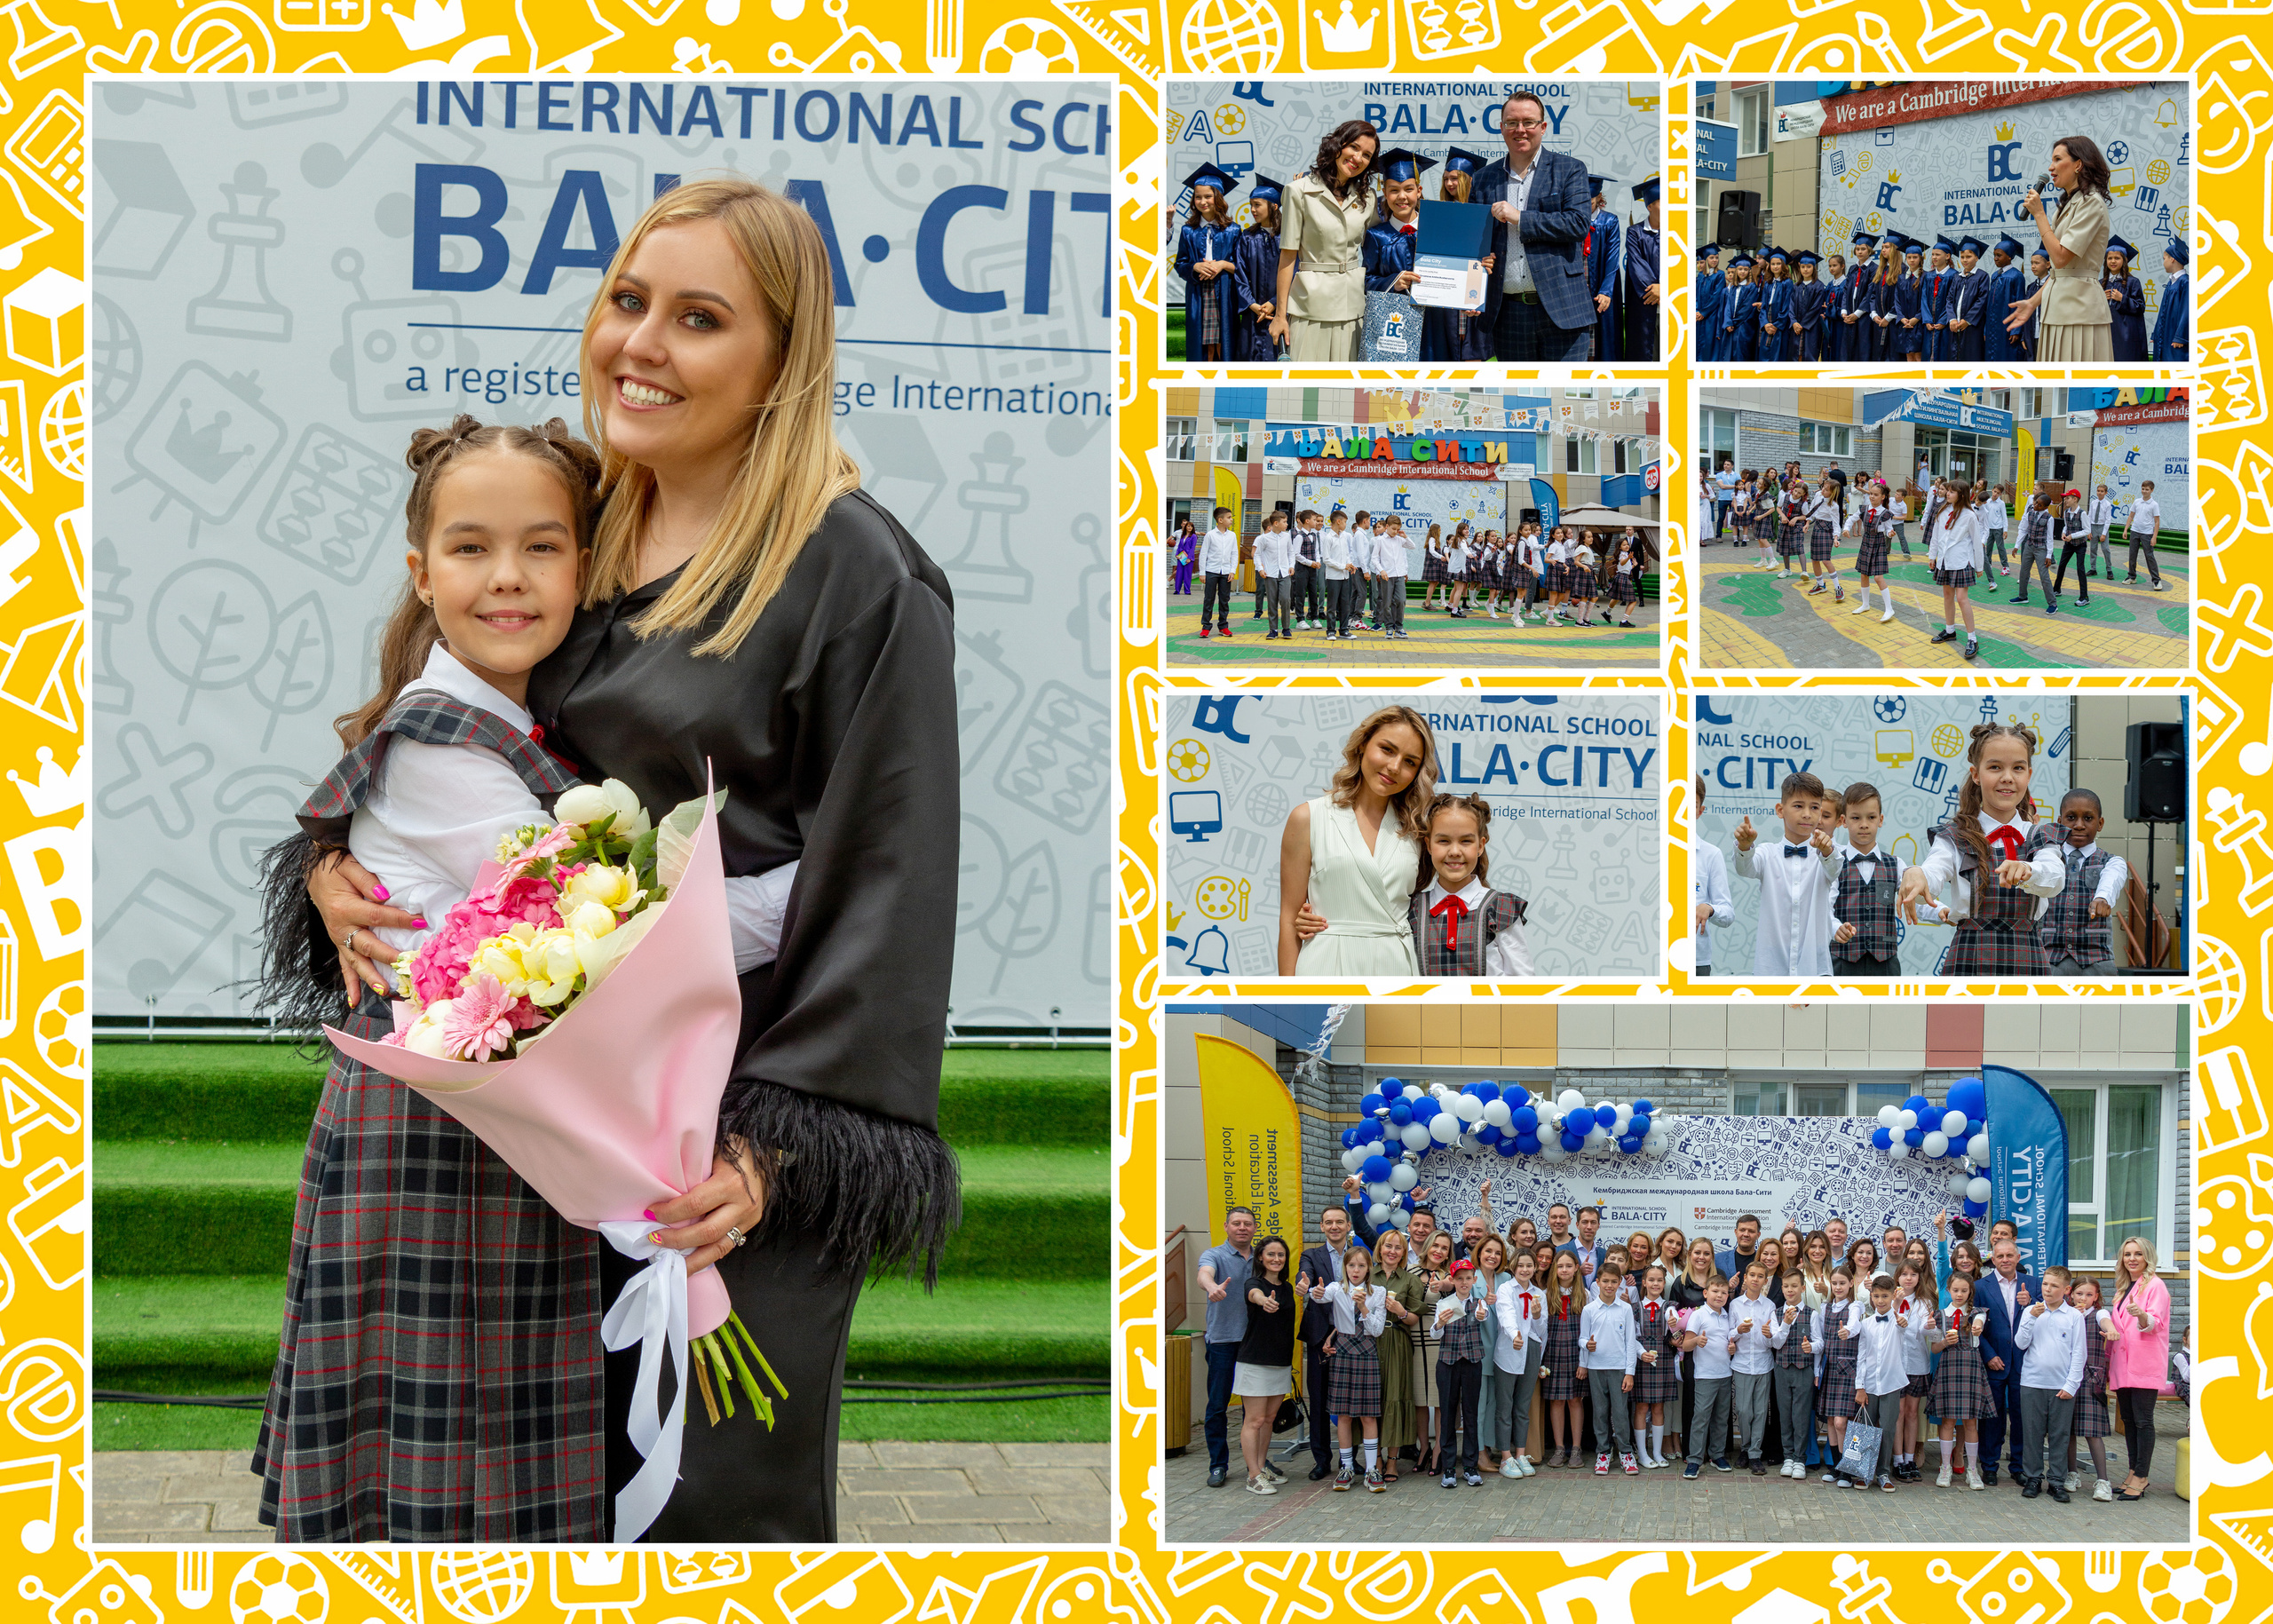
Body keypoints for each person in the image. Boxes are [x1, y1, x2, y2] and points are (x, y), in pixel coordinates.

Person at [309, 177, 965, 1544]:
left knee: (710, 1512)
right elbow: (439, 705)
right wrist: (337, 866)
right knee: (533, 1507)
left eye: (700, 317)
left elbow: (886, 885)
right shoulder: (578, 517)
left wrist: (780, 1157)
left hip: (720, 1162)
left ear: (782, 362)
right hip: (541, 1145)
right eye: (627, 301)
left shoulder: (857, 575)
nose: (641, 344)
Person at [253, 417, 624, 1542]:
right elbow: (612, 922)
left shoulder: (523, 720)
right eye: (470, 548)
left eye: (542, 547)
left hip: (484, 1127)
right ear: (421, 572)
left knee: (473, 1449)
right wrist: (813, 876)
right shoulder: (442, 745)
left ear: (587, 562)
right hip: (432, 1143)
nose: (506, 577)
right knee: (441, 1477)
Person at [1900, 723, 2065, 978]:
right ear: (1976, 774)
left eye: (2018, 768)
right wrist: (1917, 874)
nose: (2008, 777)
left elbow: (2054, 877)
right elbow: (1934, 871)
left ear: (2029, 775)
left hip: (2028, 957)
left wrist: (2027, 870)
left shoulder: (2040, 836)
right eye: (1995, 767)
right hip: (1969, 956)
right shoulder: (1955, 836)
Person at [1277, 706, 1433, 973]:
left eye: (1410, 762)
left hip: (1395, 966)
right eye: (1387, 749)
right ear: (1362, 745)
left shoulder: (1419, 829)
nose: (1394, 767)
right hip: (1325, 965)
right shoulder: (1308, 817)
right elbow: (1289, 918)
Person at [1473, 90, 1595, 361]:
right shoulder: (1483, 179)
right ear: (1501, 127)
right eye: (1511, 123)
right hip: (1508, 314)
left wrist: (1519, 217)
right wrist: (1470, 286)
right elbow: (1476, 244)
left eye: (1528, 122)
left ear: (1543, 127)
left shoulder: (1570, 170)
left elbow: (1577, 224)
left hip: (1563, 309)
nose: (1520, 130)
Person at [1270, 121, 1379, 360]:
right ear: (1337, 145)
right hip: (1310, 309)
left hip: (1353, 311)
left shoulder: (1368, 198)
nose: (1358, 158)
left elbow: (1382, 245)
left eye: (1367, 155)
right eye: (1354, 147)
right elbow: (1288, 257)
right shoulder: (1297, 191)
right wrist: (1280, 315)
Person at [2003, 137, 2115, 360]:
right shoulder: (2065, 206)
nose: (2050, 167)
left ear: (2078, 165)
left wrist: (2039, 214)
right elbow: (2059, 273)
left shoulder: (2091, 202)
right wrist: (2032, 303)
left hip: (2079, 311)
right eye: (2051, 160)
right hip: (2056, 309)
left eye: (2057, 159)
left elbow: (2061, 257)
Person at [1732, 772, 1840, 977]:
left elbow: (1835, 869)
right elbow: (1744, 868)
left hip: (1816, 970)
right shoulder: (1766, 853)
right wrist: (1745, 847)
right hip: (1771, 970)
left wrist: (1827, 851)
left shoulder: (1827, 854)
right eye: (1798, 806)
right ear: (1780, 810)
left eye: (1815, 807)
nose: (1807, 814)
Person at [1310, 1246, 1390, 1490]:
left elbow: (1377, 1330)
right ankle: (1345, 1468)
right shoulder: (1336, 1288)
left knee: (1368, 1414)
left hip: (1366, 1349)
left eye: (1361, 1266)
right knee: (1343, 1414)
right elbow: (1317, 1294)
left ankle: (1372, 1469)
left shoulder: (1378, 1292)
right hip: (1343, 1349)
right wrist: (1311, 1288)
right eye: (1351, 1265)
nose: (1356, 1270)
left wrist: (1364, 1306)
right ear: (1344, 1267)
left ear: (1369, 1269)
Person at [1971, 1236, 2041, 1486]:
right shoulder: (1980, 1286)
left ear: (2018, 1258)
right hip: (1995, 1361)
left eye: (2010, 1255)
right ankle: (1989, 1465)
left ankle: (2019, 1466)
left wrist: (2031, 1303)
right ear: (1993, 1258)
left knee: (2023, 1417)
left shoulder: (2034, 1285)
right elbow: (1975, 1323)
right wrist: (1988, 1355)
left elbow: (2047, 1319)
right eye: (2000, 1256)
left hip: (2026, 1362)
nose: (2005, 1260)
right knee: (1993, 1417)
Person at [1196, 1207, 1258, 1486]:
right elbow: (1203, 1275)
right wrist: (1211, 1287)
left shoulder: (1261, 1257)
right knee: (1218, 1406)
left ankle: (1255, 1463)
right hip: (1222, 1340)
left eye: (1247, 1223)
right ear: (1226, 1226)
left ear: (1255, 1228)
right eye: (1236, 1223)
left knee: (1253, 1410)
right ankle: (1218, 1464)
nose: (1242, 1228)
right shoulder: (1214, 1255)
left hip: (1253, 1343)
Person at [2013, 1265, 2087, 1501]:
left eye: (2054, 1286)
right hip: (2033, 1382)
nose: (2048, 1289)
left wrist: (2071, 1385)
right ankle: (2033, 1477)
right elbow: (2021, 1344)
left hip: (2061, 1385)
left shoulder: (2074, 1316)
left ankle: (2057, 1480)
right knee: (2032, 1433)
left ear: (2066, 1290)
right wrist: (2031, 1318)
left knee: (2059, 1435)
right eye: (2045, 1284)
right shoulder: (2031, 1311)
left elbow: (2079, 1353)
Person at [1297, 1203, 1359, 1477]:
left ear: (1348, 1226)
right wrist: (1309, 1288)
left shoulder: (1359, 1255)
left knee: (1354, 1400)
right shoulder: (1310, 1255)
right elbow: (1306, 1279)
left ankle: (1352, 1459)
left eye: (1339, 1222)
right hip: (1321, 1334)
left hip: (1354, 1335)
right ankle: (1321, 1460)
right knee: (1320, 1397)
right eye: (1328, 1222)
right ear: (1322, 1227)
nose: (1334, 1226)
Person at [2039, 788, 2129, 973]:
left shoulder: (2112, 862)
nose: (2079, 825)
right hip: (2048, 960)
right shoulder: (2047, 861)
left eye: (2088, 818)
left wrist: (2102, 898)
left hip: (2097, 964)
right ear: (2059, 822)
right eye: (2071, 818)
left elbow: (2112, 880)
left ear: (2100, 823)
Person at [1234, 1234, 1297, 1493]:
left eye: (1281, 1255)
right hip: (1255, 1362)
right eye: (1271, 1254)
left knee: (1270, 1418)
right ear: (1260, 1256)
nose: (1276, 1259)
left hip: (1280, 1362)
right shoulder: (1254, 1282)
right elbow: (1254, 1295)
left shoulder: (1288, 1287)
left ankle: (1261, 1468)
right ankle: (1252, 1476)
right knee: (1255, 1419)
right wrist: (1264, 1301)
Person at [2109, 1236, 2170, 1499]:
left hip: (2144, 1362)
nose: (2132, 1258)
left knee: (2144, 1421)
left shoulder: (2156, 1286)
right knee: (2129, 1420)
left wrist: (2141, 1315)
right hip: (2123, 1363)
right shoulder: (2123, 1288)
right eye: (2127, 1254)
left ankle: (2142, 1477)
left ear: (2147, 1257)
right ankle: (2133, 1471)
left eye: (2137, 1254)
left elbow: (2156, 1322)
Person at [1361, 147, 1434, 363]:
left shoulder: (1435, 229)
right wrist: (1393, 282)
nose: (1402, 197)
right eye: (1394, 190)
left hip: (1435, 324)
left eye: (1408, 189)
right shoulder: (1376, 236)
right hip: (1394, 326)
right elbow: (1366, 281)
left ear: (1419, 191)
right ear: (1385, 191)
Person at [1426, 147, 1498, 361]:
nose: (1449, 184)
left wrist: (1492, 258)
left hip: (1477, 290)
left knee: (1474, 356)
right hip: (1448, 291)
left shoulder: (1485, 212)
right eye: (1446, 178)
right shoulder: (1439, 213)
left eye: (1455, 178)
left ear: (1469, 179)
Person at [1844, 1274, 1910, 1492]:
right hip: (1869, 1385)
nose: (1880, 1301)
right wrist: (1860, 1387)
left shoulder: (1899, 1319)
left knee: (1888, 1428)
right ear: (1871, 1297)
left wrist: (1901, 1317)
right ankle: (1864, 1472)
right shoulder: (1866, 1324)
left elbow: (1903, 1326)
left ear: (1893, 1296)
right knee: (1866, 1428)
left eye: (1885, 1296)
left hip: (1891, 1384)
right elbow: (1861, 1356)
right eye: (1876, 1296)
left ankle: (1883, 1472)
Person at [1371, 1226, 1425, 1479]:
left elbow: (1414, 1317)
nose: (1392, 1251)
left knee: (1395, 1396)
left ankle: (1392, 1461)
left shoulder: (1410, 1279)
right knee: (1370, 1400)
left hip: (1397, 1341)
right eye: (1388, 1246)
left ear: (1404, 1253)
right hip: (1369, 1343)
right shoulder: (1367, 1275)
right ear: (1380, 1249)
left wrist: (1400, 1311)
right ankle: (1374, 1459)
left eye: (1398, 1247)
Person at [1932, 1272, 1995, 1488]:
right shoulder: (1939, 1315)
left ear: (1970, 1292)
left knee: (1971, 1421)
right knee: (1948, 1420)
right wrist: (1944, 1343)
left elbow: (1979, 1323)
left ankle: (1972, 1470)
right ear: (1948, 1290)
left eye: (1964, 1290)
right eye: (1955, 1290)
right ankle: (1945, 1468)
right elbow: (1933, 1348)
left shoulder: (1977, 1312)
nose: (1959, 1294)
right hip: (1949, 1367)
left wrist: (1977, 1326)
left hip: (1971, 1368)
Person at [1430, 1257, 1488, 1487]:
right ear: (1452, 1280)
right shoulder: (1444, 1305)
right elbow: (1435, 1335)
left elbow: (1485, 1317)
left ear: (1474, 1280)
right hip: (1448, 1363)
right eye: (1459, 1278)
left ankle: (1471, 1465)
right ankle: (1448, 1469)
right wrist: (1440, 1324)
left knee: (1471, 1413)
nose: (1464, 1282)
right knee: (1447, 1414)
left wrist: (1483, 1315)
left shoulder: (1480, 1304)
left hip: (1473, 1362)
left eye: (1468, 1278)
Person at [1175, 164, 1243, 361]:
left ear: (1219, 199)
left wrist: (1222, 264)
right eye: (1198, 197)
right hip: (1199, 293)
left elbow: (1242, 266)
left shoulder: (1233, 231)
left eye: (1208, 196)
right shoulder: (1188, 231)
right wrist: (1195, 267)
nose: (1202, 201)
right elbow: (1180, 264)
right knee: (1203, 343)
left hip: (1225, 292)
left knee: (1223, 340)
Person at [1490, 1239, 1545, 1477]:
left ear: (1535, 1268)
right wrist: (1515, 1335)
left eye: (1529, 1266)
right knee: (1505, 1407)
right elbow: (1506, 1315)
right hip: (1509, 1350)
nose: (1525, 1270)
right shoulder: (1505, 1289)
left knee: (1523, 1406)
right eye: (1521, 1265)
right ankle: (1505, 1457)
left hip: (1530, 1349)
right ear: (1513, 1267)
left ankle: (1521, 1454)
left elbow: (1542, 1330)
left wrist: (1537, 1314)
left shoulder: (1538, 1293)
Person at [1580, 1259, 1641, 1474]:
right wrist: (1586, 1346)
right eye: (1605, 1281)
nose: (1609, 1285)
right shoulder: (1589, 1309)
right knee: (1600, 1412)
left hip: (1619, 1369)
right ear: (1597, 1282)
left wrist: (1629, 1373)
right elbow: (1582, 1338)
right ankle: (1604, 1452)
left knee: (1621, 1413)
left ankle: (1625, 1453)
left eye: (1614, 1282)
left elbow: (1630, 1342)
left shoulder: (1625, 1309)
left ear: (1620, 1283)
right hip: (1596, 1369)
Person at [1922, 476, 1987, 661]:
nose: (1947, 493)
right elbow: (1936, 535)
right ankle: (1950, 630)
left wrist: (1979, 565)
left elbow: (1976, 542)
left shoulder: (1969, 515)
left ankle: (1972, 638)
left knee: (1961, 598)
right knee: (1948, 595)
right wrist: (1932, 556)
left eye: (1951, 491)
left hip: (1962, 561)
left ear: (1961, 495)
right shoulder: (1943, 511)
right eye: (1947, 490)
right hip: (1944, 560)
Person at [1680, 1271, 1738, 1478]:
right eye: (1715, 1291)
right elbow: (1685, 1344)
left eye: (1724, 1292)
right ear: (1706, 1293)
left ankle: (1717, 1455)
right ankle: (1695, 1459)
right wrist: (1696, 1342)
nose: (1720, 1296)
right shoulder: (1698, 1315)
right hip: (1704, 1377)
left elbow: (1730, 1341)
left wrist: (1732, 1349)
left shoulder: (1726, 1315)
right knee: (1701, 1419)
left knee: (1721, 1419)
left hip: (1725, 1374)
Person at [2066, 1275, 2118, 1501]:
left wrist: (2112, 1330)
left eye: (2089, 1295)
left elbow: (2107, 1323)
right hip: (2067, 1378)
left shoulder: (2099, 1314)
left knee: (2092, 1432)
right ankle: (2071, 1474)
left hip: (2090, 1380)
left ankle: (2103, 1481)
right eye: (2079, 1294)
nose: (2083, 1299)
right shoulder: (2066, 1315)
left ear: (2096, 1297)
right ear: (2070, 1294)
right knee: (2067, 1431)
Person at [1539, 1250, 1588, 1468]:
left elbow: (1590, 1331)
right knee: (1556, 1400)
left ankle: (1576, 1448)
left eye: (1569, 1266)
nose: (1564, 1270)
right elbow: (1540, 1330)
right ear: (1554, 1269)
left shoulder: (1585, 1295)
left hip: (1576, 1354)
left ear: (1576, 1268)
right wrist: (1540, 1360)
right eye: (1560, 1266)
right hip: (1552, 1354)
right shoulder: (1545, 1294)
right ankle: (1560, 1448)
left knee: (1575, 1400)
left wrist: (1584, 1361)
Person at [1229, 174, 1286, 361]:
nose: (1252, 210)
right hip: (1252, 315)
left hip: (1281, 312)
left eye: (1257, 205)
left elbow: (1295, 272)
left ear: (1274, 206)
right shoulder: (1247, 237)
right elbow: (1240, 274)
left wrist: (1274, 302)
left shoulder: (1288, 237)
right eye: (1251, 205)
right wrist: (1252, 305)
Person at [1815, 1265, 1861, 1482]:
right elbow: (1821, 1343)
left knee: (1843, 1422)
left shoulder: (1855, 1306)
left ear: (1851, 1283)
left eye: (1843, 1283)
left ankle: (1847, 1469)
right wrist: (1817, 1371)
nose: (1838, 1287)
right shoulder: (1825, 1308)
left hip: (1848, 1371)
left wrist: (1847, 1331)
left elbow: (1854, 1326)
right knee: (1832, 1422)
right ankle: (1835, 1468)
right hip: (1830, 1369)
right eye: (1835, 1283)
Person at [1583, 171, 1621, 361]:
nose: (1585, 206)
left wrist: (1606, 291)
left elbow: (1612, 260)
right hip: (1578, 285)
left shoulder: (1609, 222)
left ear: (1598, 198)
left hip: (1599, 285)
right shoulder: (1570, 219)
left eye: (1589, 201)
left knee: (1599, 342)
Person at [1623, 175, 1661, 360]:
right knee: (1644, 353)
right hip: (1645, 301)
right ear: (1650, 206)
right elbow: (1637, 264)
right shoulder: (1635, 232)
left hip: (1671, 301)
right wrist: (1656, 288)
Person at [1849, 479, 1898, 623]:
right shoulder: (1863, 508)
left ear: (1883, 497)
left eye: (1875, 495)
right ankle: (1865, 604)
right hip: (1866, 541)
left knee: (1878, 577)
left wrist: (1890, 533)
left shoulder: (1885, 513)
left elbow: (1889, 529)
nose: (1872, 496)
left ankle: (1889, 608)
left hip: (1878, 543)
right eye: (1871, 494)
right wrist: (1846, 529)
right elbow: (1851, 519)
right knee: (1864, 574)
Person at [2007, 487, 2057, 610]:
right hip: (2029, 546)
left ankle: (2052, 604)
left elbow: (2050, 538)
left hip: (2041, 549)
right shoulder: (2030, 512)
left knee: (2044, 576)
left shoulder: (2049, 518)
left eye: (2040, 505)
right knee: (2023, 572)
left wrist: (2049, 555)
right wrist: (2016, 546)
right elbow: (2024, 529)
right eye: (2036, 503)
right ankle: (2022, 597)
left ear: (2045, 507)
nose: (2036, 506)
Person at [1196, 506, 1239, 639]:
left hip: (1226, 572)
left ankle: (1223, 626)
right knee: (1209, 599)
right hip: (1211, 571)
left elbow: (1234, 553)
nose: (1231, 520)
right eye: (1229, 518)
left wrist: (1233, 570)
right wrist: (1202, 572)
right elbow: (1204, 554)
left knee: (1224, 599)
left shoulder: (1232, 535)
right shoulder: (1210, 535)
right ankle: (1206, 627)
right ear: (1220, 520)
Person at [2103, 237, 2148, 362]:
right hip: (2106, 334)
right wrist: (2101, 300)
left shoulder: (2133, 282)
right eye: (2110, 258)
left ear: (2125, 260)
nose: (2113, 261)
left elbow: (2140, 307)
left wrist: (2122, 299)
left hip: (2127, 335)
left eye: (2117, 258)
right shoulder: (2101, 284)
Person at [1984, 234, 2027, 363]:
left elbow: (2021, 304)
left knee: (2007, 356)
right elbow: (1989, 306)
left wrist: (2016, 329)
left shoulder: (2016, 276)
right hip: (1992, 326)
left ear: (2009, 257)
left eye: (1999, 255)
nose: (1995, 258)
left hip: (2008, 326)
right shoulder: (1995, 276)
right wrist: (1986, 328)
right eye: (1994, 255)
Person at [1253, 508, 1295, 640]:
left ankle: (1286, 628)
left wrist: (1291, 566)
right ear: (1276, 523)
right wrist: (1260, 568)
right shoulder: (1264, 538)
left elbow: (1290, 553)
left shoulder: (1287, 536)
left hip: (1285, 573)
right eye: (1284, 521)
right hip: (1270, 574)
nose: (1287, 524)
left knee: (1286, 600)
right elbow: (1257, 555)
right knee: (1272, 602)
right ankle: (1273, 630)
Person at [1946, 235, 1989, 363]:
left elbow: (1982, 300)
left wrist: (1968, 320)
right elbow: (1949, 299)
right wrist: (1952, 319)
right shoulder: (1957, 277)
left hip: (1972, 325)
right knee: (1955, 355)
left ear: (1977, 257)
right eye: (1962, 257)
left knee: (1971, 355)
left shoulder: (1982, 276)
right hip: (1955, 325)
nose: (1965, 260)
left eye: (1969, 257)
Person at [2050, 487, 2094, 610]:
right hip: (2068, 544)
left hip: (2080, 545)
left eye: (2068, 498)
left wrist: (2072, 536)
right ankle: (2056, 589)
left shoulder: (2082, 513)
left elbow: (2087, 530)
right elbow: (2066, 526)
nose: (2066, 500)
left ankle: (2084, 597)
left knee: (2080, 568)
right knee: (2062, 565)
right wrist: (2064, 533)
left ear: (2075, 499)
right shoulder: (2066, 512)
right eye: (2065, 498)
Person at [2124, 480, 2167, 590]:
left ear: (2152, 490)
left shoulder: (2154, 504)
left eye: (2147, 489)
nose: (2144, 491)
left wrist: (2154, 537)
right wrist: (2126, 530)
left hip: (2147, 533)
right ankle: (2132, 576)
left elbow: (2157, 522)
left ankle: (2156, 580)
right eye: (2143, 489)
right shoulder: (2137, 502)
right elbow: (2131, 516)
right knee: (2132, 555)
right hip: (2135, 531)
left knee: (2149, 556)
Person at [2151, 239, 2190, 362]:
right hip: (2167, 333)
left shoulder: (2185, 282)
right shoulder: (2171, 283)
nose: (2163, 263)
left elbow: (2187, 312)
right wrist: (2156, 333)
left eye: (2164, 259)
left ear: (2172, 259)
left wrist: (2180, 337)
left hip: (2175, 336)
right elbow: (2162, 311)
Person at [1560, 1205, 1608, 1285]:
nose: (1589, 1227)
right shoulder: (1560, 1251)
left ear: (1598, 1226)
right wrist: (1578, 1272)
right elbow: (1553, 1280)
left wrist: (1626, 1277)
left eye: (1593, 1222)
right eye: (1585, 1222)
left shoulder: (1605, 1255)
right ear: (1577, 1225)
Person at [1695, 242, 1724, 365]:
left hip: (1712, 315)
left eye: (1716, 257)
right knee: (1698, 341)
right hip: (1698, 315)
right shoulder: (1701, 276)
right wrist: (1696, 311)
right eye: (1711, 258)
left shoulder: (1720, 275)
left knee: (1709, 341)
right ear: (1706, 259)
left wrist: (1704, 312)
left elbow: (1716, 297)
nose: (1714, 260)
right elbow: (1695, 295)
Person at [2085, 482, 2118, 579]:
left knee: (2105, 549)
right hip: (2093, 527)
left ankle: (2109, 569)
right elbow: (2090, 516)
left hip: (2102, 527)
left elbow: (2108, 520)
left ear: (2106, 493)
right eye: (2098, 491)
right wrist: (2088, 530)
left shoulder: (2107, 504)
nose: (2099, 493)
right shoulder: (2093, 503)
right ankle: (2093, 568)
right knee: (2093, 549)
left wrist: (2104, 533)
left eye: (2102, 491)